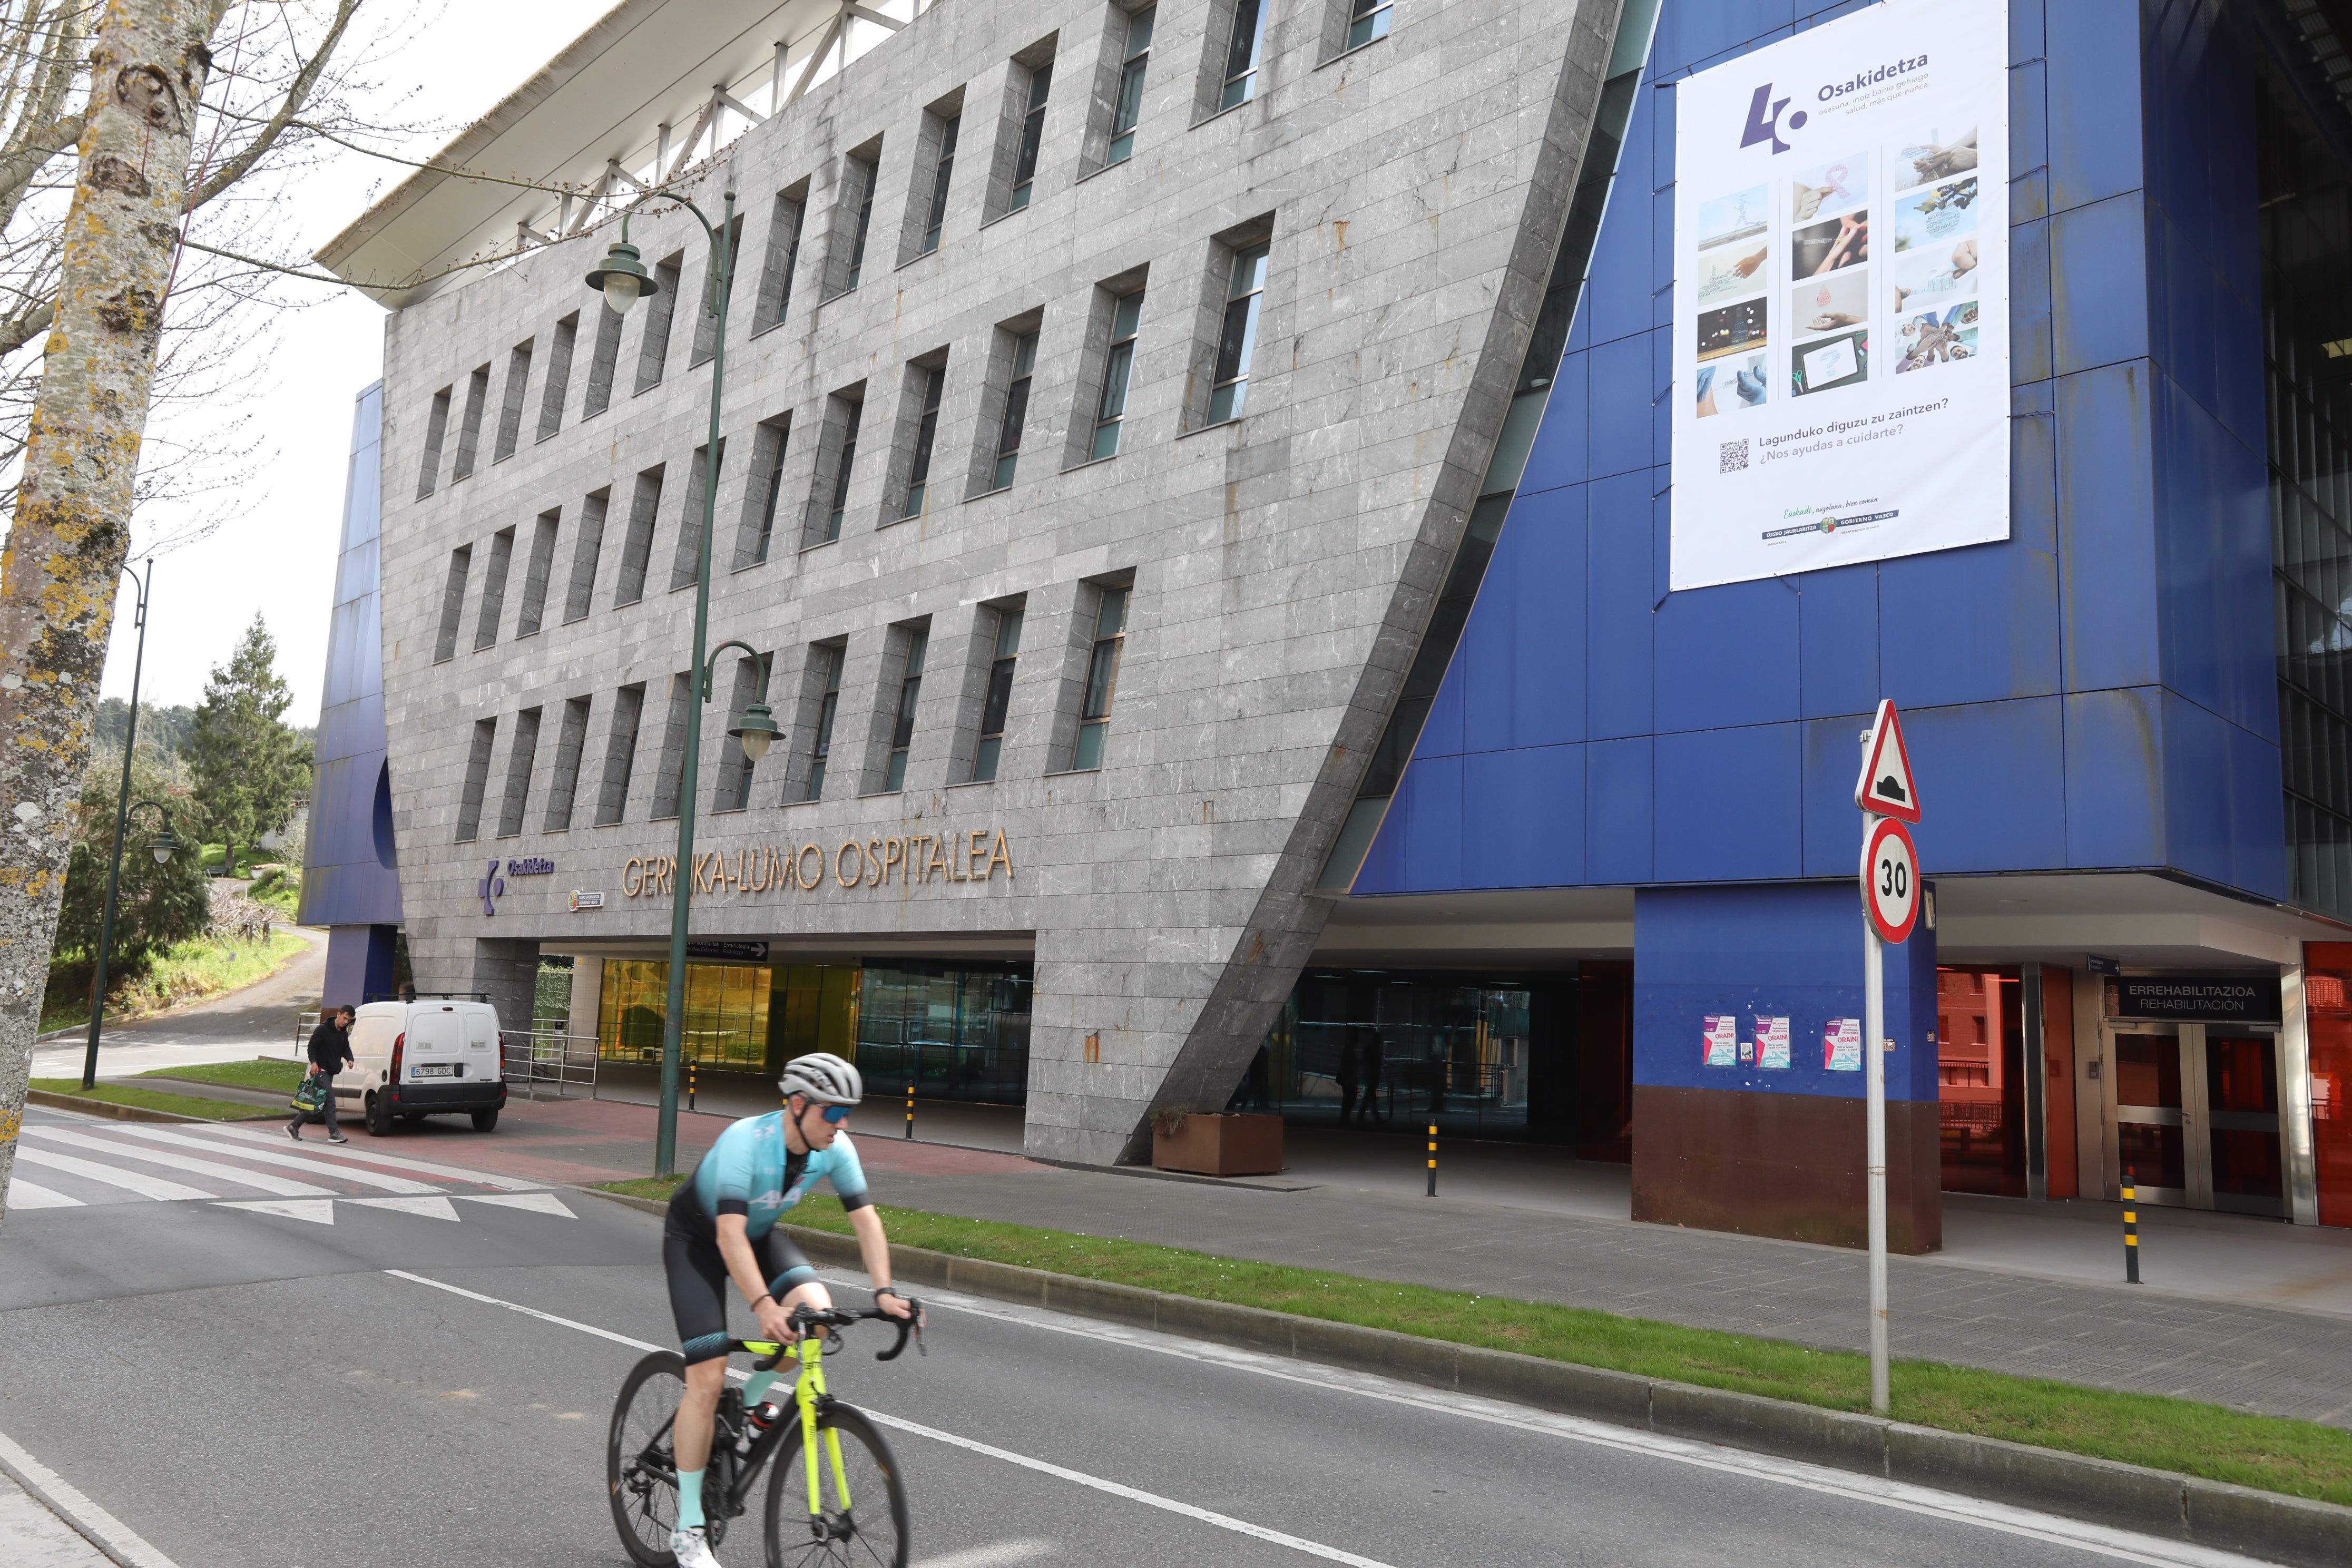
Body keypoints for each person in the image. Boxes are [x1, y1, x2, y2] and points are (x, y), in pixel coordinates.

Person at [660, 1053, 915, 1568]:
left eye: (848, 1114)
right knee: (706, 1382)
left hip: (757, 1238)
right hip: (697, 1241)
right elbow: (727, 1235)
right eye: (833, 1113)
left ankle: (753, 1407)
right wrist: (763, 1306)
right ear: (798, 1105)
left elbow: (866, 1221)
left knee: (817, 1320)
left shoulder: (835, 1148)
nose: (842, 1125)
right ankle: (688, 1528)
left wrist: (885, 1292)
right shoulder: (744, 1142)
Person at [289, 1006, 355, 1143]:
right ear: (338, 1014)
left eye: (349, 1020)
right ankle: (334, 1133)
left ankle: (293, 1126)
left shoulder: (342, 1033)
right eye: (344, 1018)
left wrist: (350, 1059)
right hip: (320, 1071)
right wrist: (313, 1062)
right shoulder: (323, 1029)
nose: (345, 1022)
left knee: (317, 1103)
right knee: (330, 1102)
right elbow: (311, 1047)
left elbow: (345, 1048)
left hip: (330, 1072)